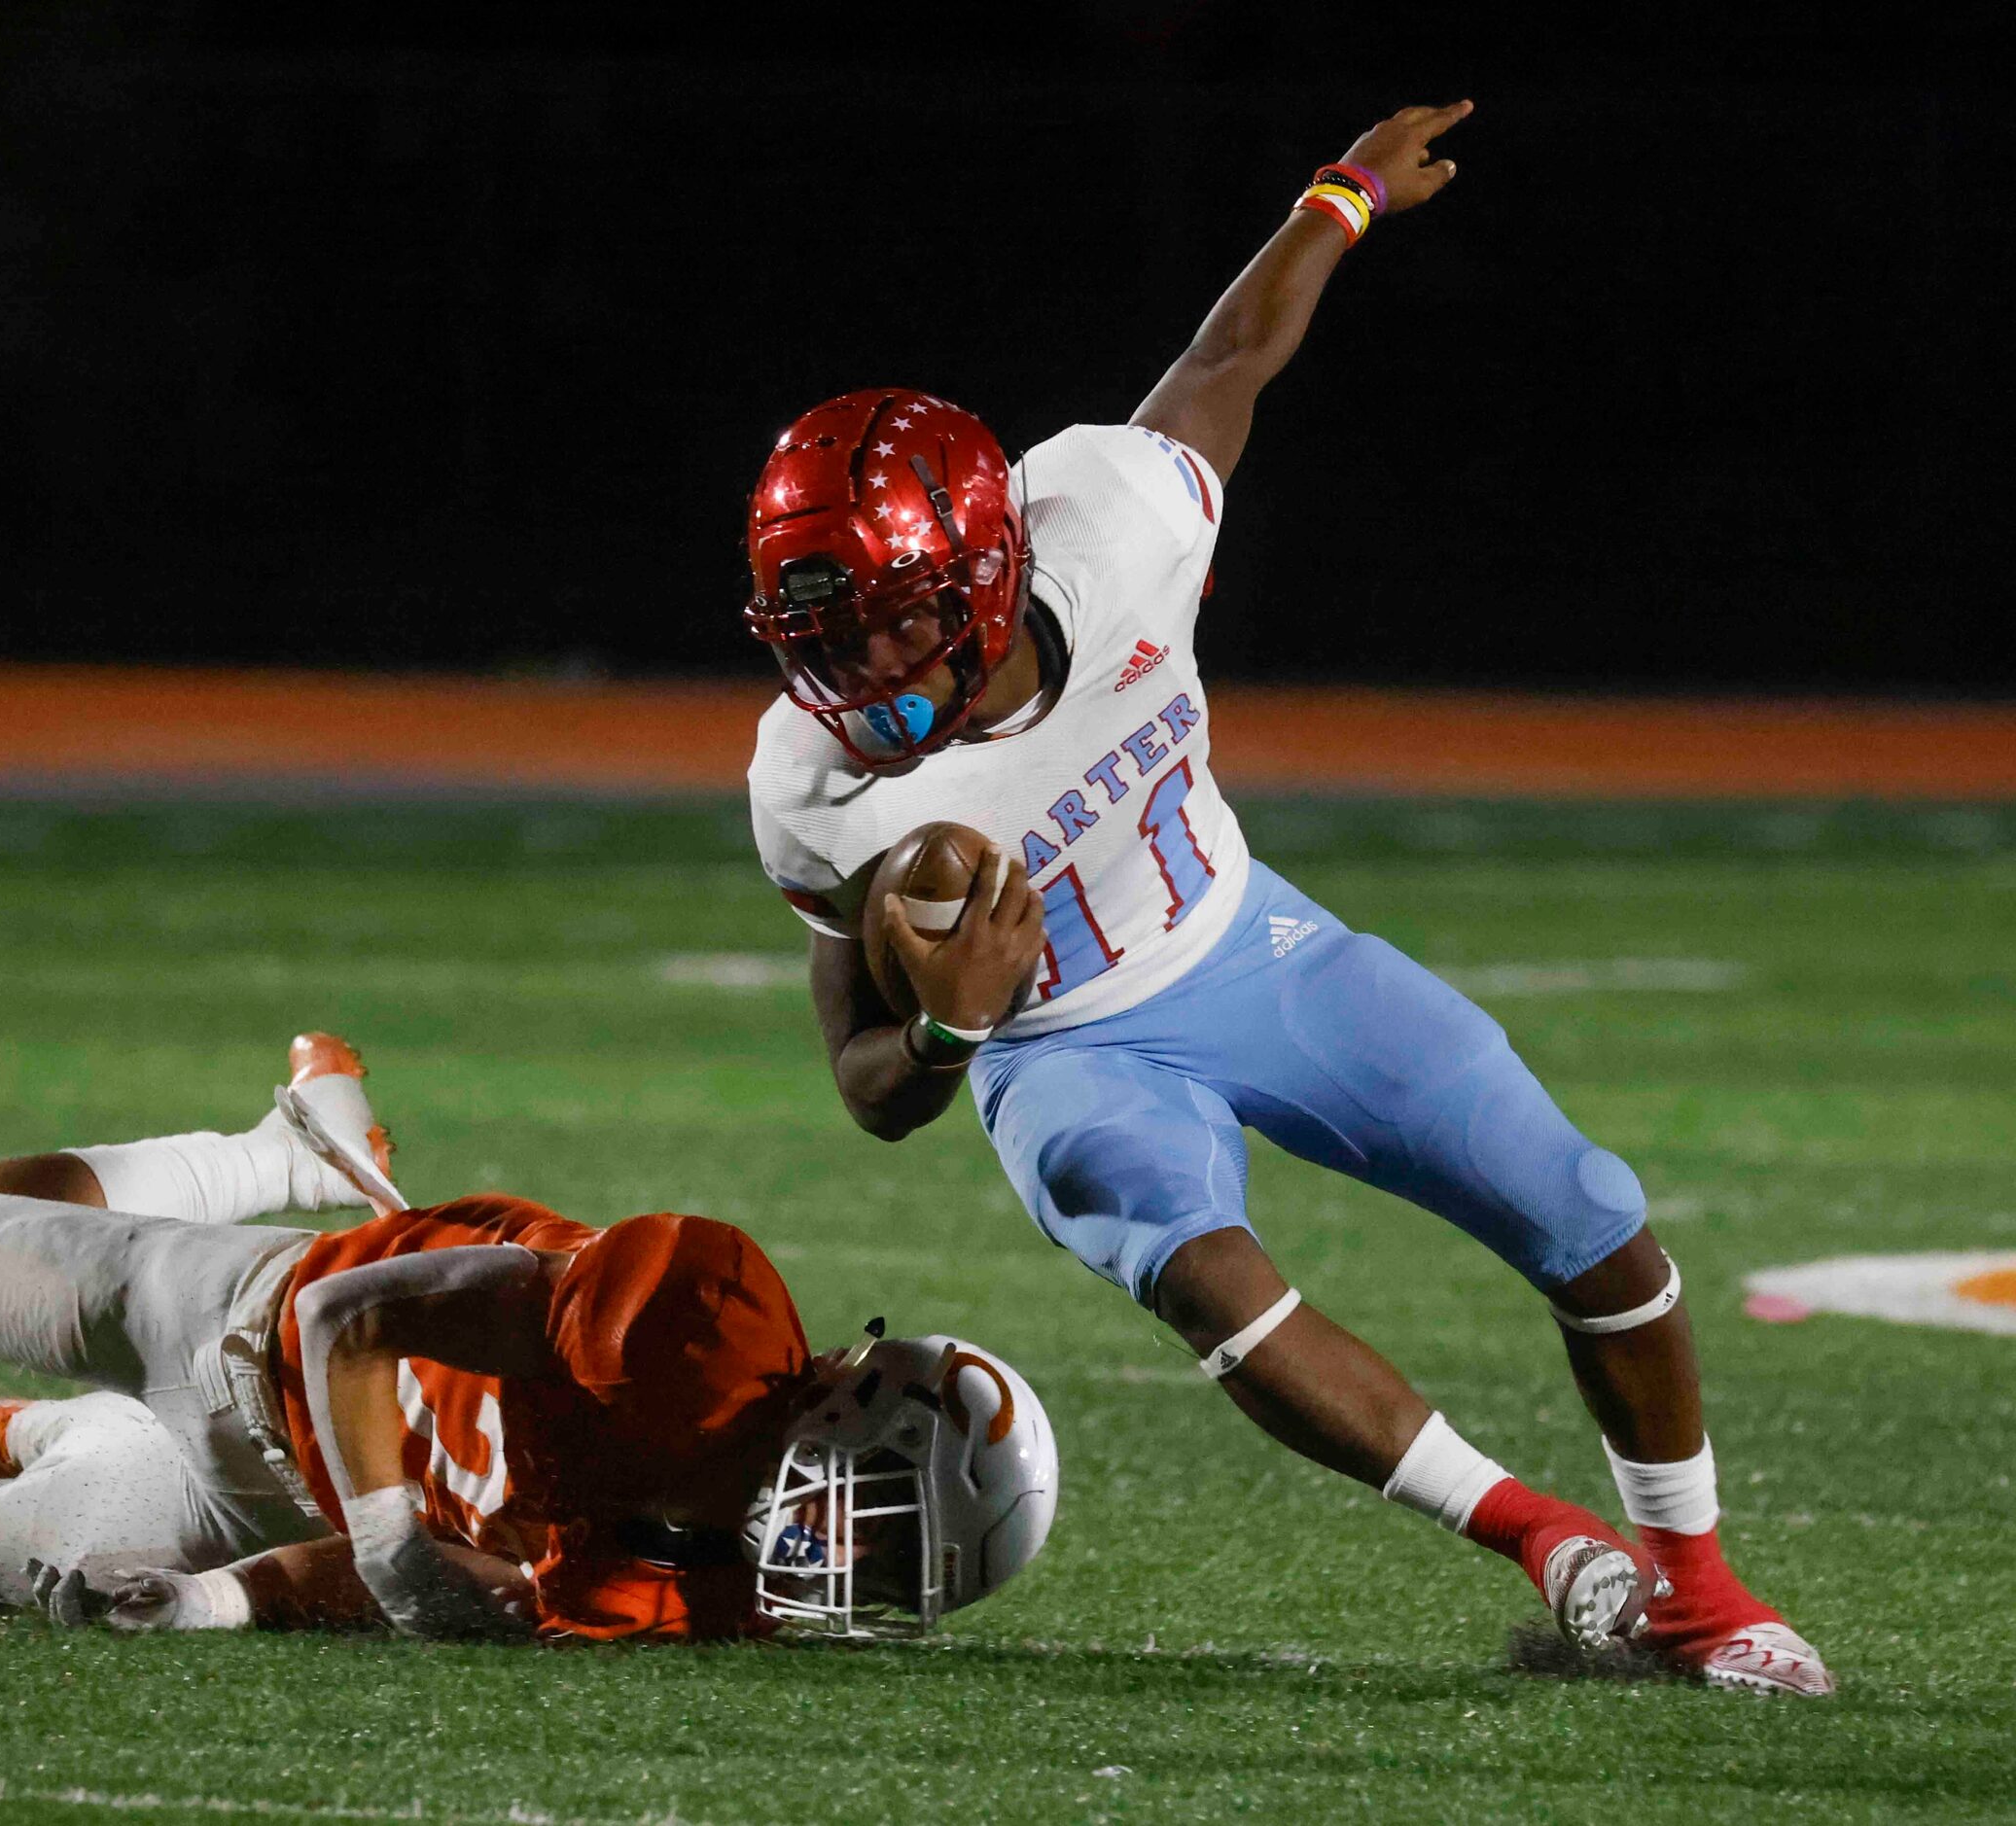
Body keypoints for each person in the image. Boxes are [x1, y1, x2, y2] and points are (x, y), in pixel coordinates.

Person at [741, 99, 1830, 1693]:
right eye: (820, 638)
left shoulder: (1110, 525)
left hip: (1247, 937)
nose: (855, 672)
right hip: (1060, 1052)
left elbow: (1226, 363)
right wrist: (953, 1040)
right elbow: (864, 1087)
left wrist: (1340, 199)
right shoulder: (812, 783)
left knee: (1592, 1213)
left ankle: (1693, 1586)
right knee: (1211, 1277)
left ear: (982, 570)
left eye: (887, 628)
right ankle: (1548, 1543)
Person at [0, 1035, 1055, 1641]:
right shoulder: (700, 1325)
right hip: (234, 1325)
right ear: (847, 1395)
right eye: (882, 1529)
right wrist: (394, 1534)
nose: (842, 1564)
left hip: (269, 1500)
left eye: (894, 1578)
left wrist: (220, 1600)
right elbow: (340, 1317)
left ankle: (68, 1434)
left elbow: (467, 1580)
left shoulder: (694, 1597)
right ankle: (265, 1159)